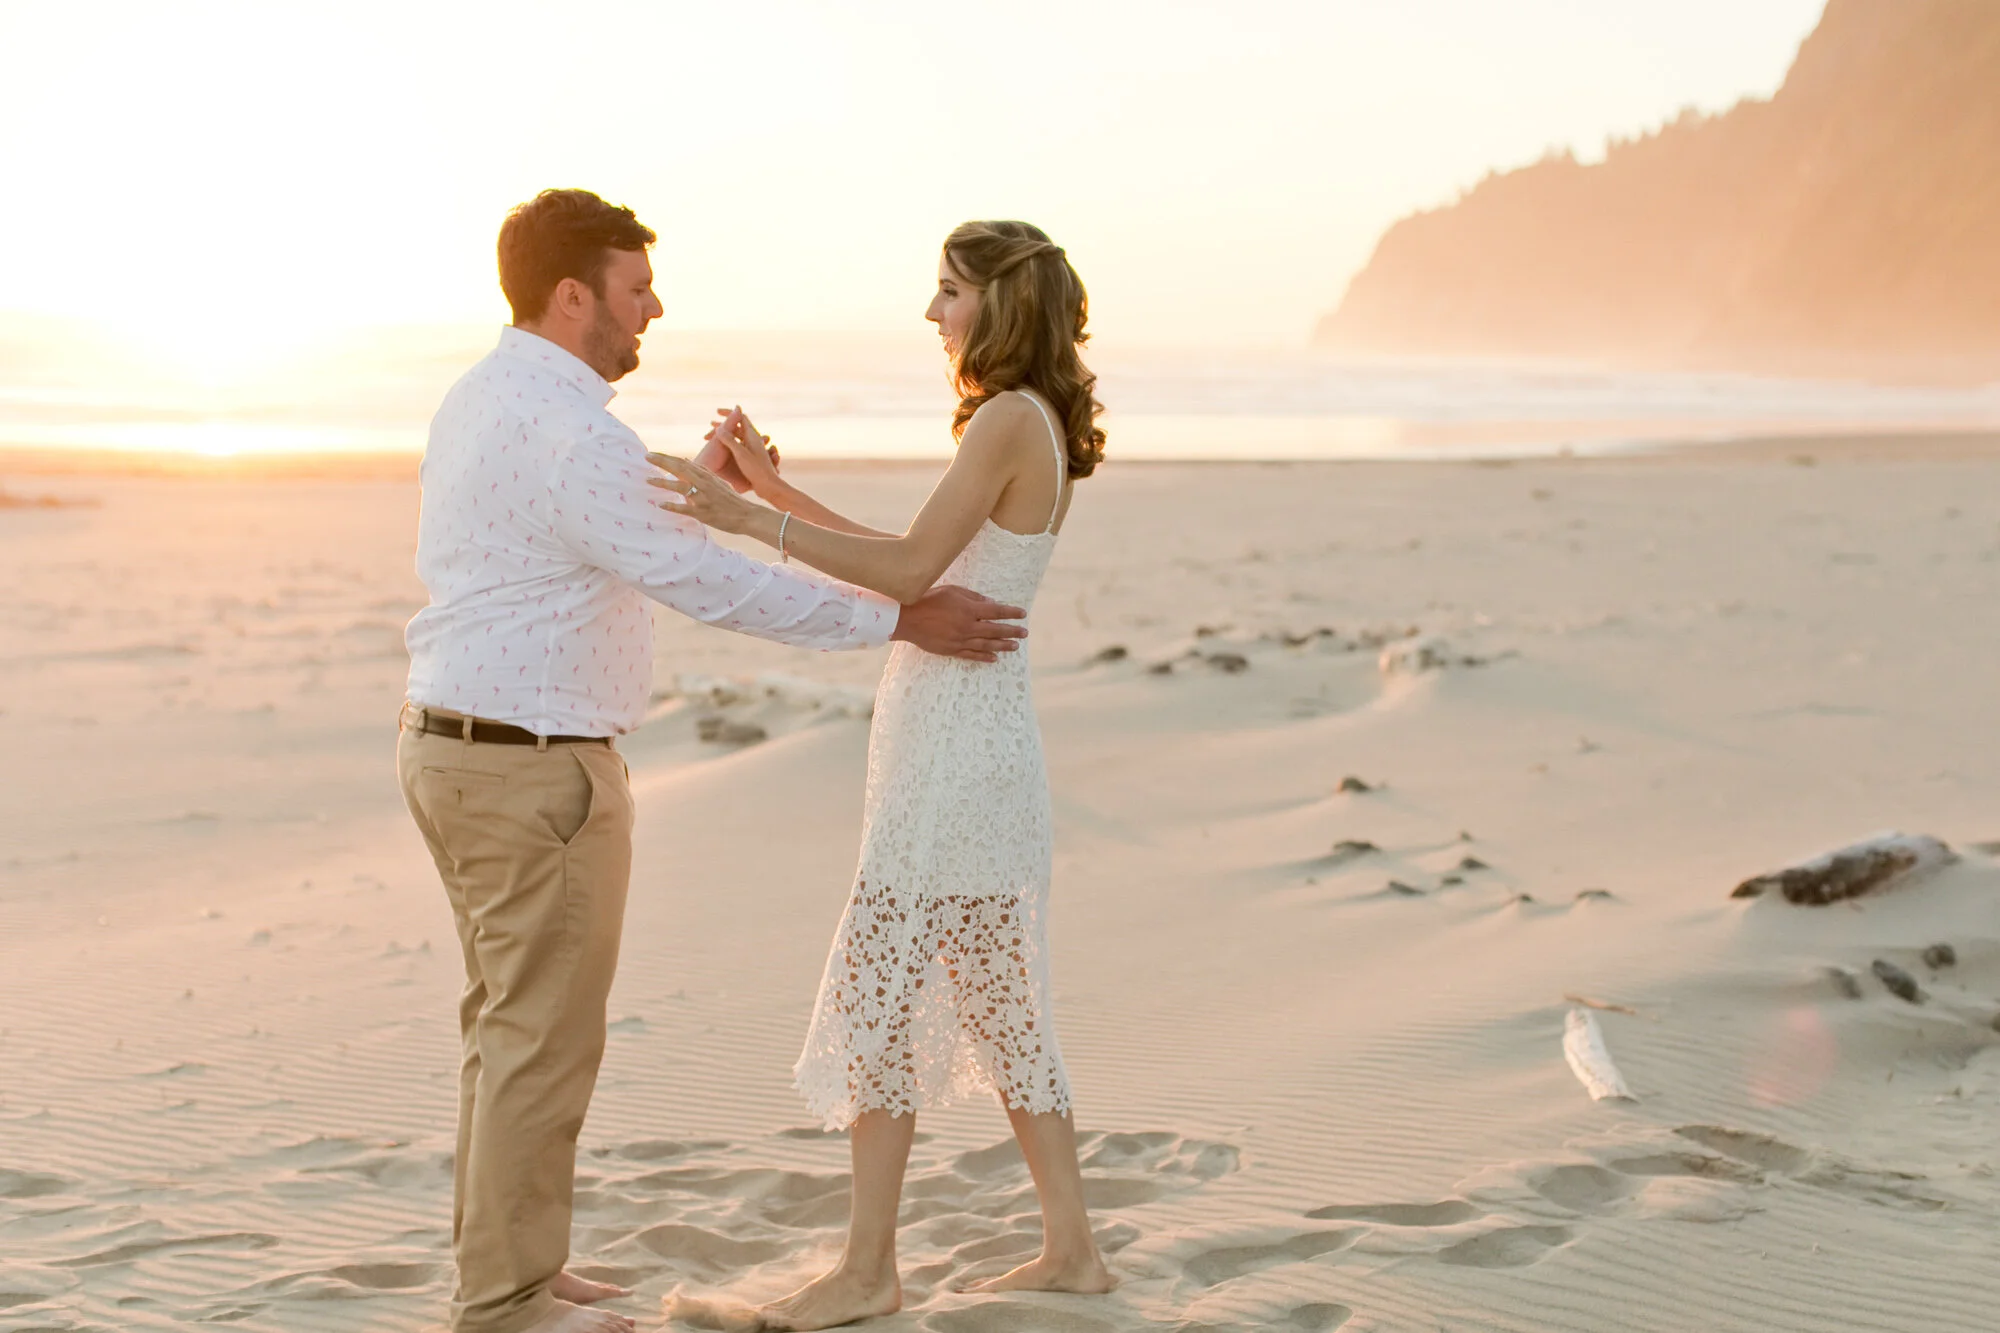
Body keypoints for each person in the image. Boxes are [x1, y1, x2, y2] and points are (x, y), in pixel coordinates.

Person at [396, 189, 1031, 1333]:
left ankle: (517, 1263)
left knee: (506, 1028)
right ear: (572, 295)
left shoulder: (483, 398)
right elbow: (707, 583)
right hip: (531, 771)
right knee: (539, 1037)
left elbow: (609, 534)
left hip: (454, 750)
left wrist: (713, 485)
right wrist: (895, 619)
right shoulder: (574, 435)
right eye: (636, 289)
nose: (653, 310)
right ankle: (504, 1300)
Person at [649, 220, 1114, 1331]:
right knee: (997, 1003)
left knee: (880, 996)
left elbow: (904, 570)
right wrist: (777, 490)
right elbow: (912, 558)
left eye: (949, 290)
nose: (932, 312)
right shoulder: (1026, 419)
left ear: (1000, 301)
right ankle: (1071, 1252)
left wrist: (744, 514)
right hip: (966, 735)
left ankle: (868, 1270)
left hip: (953, 746)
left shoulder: (1007, 419)